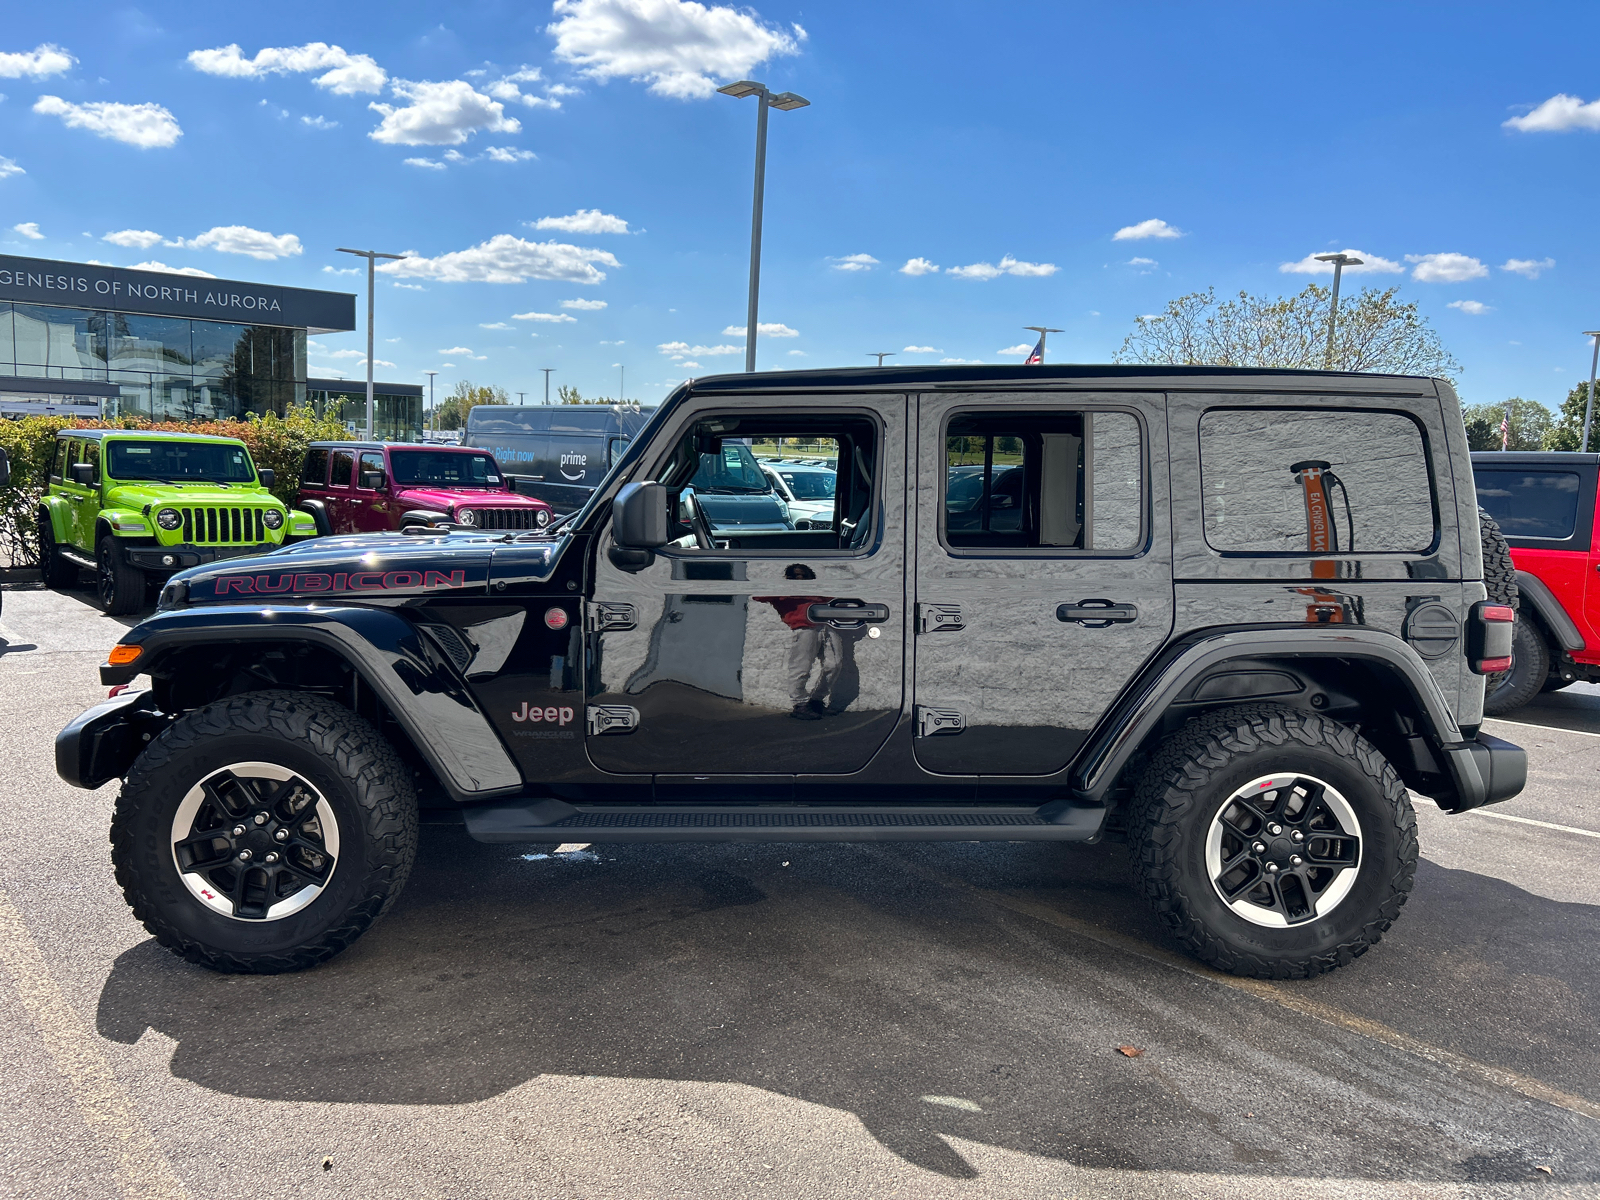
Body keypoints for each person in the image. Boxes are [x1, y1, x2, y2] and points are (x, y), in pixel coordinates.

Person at [754, 564, 844, 720]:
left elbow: (835, 599)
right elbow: (758, 596)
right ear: (790, 577)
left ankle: (816, 701)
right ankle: (799, 704)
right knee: (801, 667)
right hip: (804, 629)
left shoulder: (816, 591)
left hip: (827, 627)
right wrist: (785, 588)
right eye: (796, 575)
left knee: (834, 664)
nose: (800, 578)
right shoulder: (784, 593)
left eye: (803, 575)